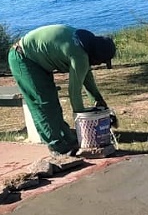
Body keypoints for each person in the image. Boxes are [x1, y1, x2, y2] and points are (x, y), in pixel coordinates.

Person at [8, 24, 116, 155]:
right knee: (44, 104)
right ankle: (57, 147)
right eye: (100, 62)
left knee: (53, 103)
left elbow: (88, 81)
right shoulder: (79, 56)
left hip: (38, 60)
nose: (99, 65)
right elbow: (74, 92)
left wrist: (100, 103)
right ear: (95, 57)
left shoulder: (86, 44)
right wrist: (82, 122)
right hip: (23, 57)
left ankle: (69, 140)